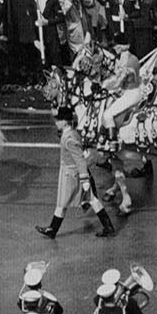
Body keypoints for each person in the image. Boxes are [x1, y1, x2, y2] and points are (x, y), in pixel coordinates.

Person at [38, 98, 116, 239]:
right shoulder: (71, 134)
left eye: (58, 120)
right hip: (74, 173)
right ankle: (108, 226)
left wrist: (85, 179)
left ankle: (53, 230)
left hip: (72, 175)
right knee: (91, 200)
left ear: (64, 121)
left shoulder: (69, 139)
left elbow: (80, 160)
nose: (56, 122)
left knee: (63, 203)